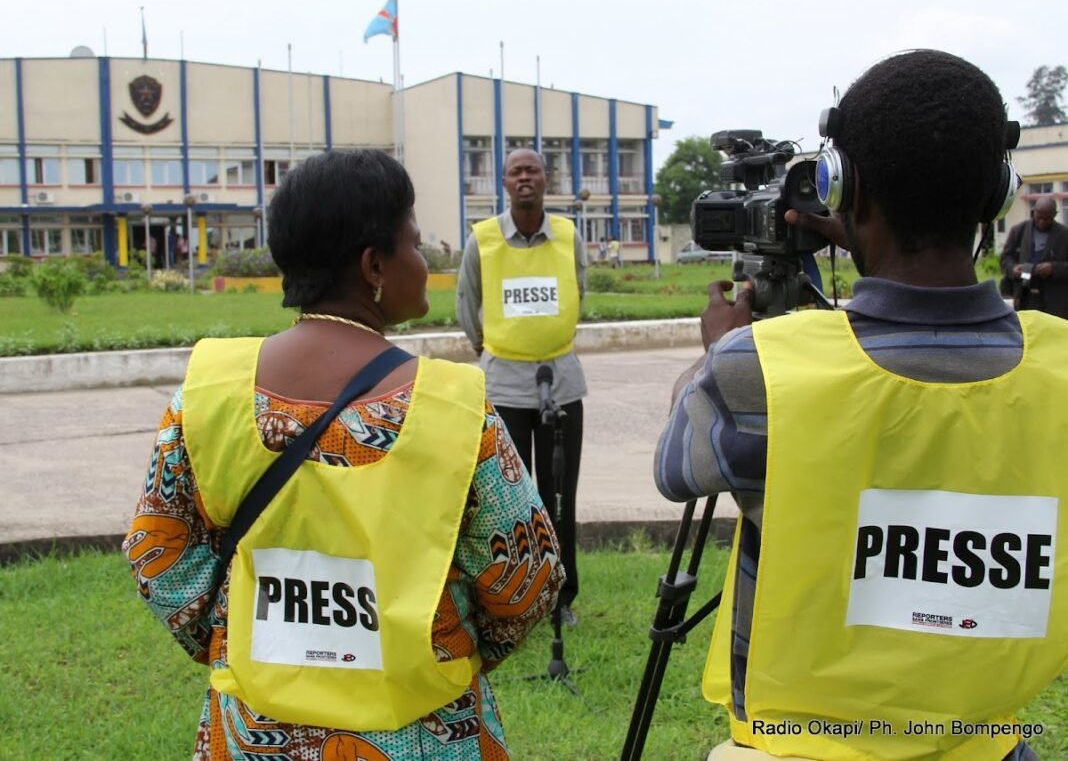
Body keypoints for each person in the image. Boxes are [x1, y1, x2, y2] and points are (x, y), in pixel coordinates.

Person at [654, 50, 1067, 761]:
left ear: (843, 188)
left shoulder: (760, 369)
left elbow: (676, 468)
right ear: (997, 196)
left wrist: (716, 348)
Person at [124, 149, 563, 760]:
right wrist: (446, 647)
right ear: (374, 264)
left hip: (254, 731)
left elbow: (156, 554)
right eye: (414, 244)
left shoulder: (208, 393)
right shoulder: (453, 407)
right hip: (423, 731)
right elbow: (528, 578)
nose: (421, 261)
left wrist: (232, 640)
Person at [456, 147, 587, 627]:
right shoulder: (483, 240)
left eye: (532, 170)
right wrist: (489, 347)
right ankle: (510, 594)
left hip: (562, 382)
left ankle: (560, 597)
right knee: (507, 500)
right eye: (516, 172)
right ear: (505, 182)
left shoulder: (569, 236)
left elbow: (579, 290)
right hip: (504, 385)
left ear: (546, 179)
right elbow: (467, 302)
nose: (525, 177)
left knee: (559, 495)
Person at [1000, 196, 1068, 317]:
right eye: (1039, 217)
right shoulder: (1018, 231)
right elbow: (1005, 258)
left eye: (1046, 218)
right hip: (1025, 294)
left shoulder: (1064, 234)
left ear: (1055, 215)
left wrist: (1054, 268)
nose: (1042, 221)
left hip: (1055, 299)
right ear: (1033, 212)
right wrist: (1013, 268)